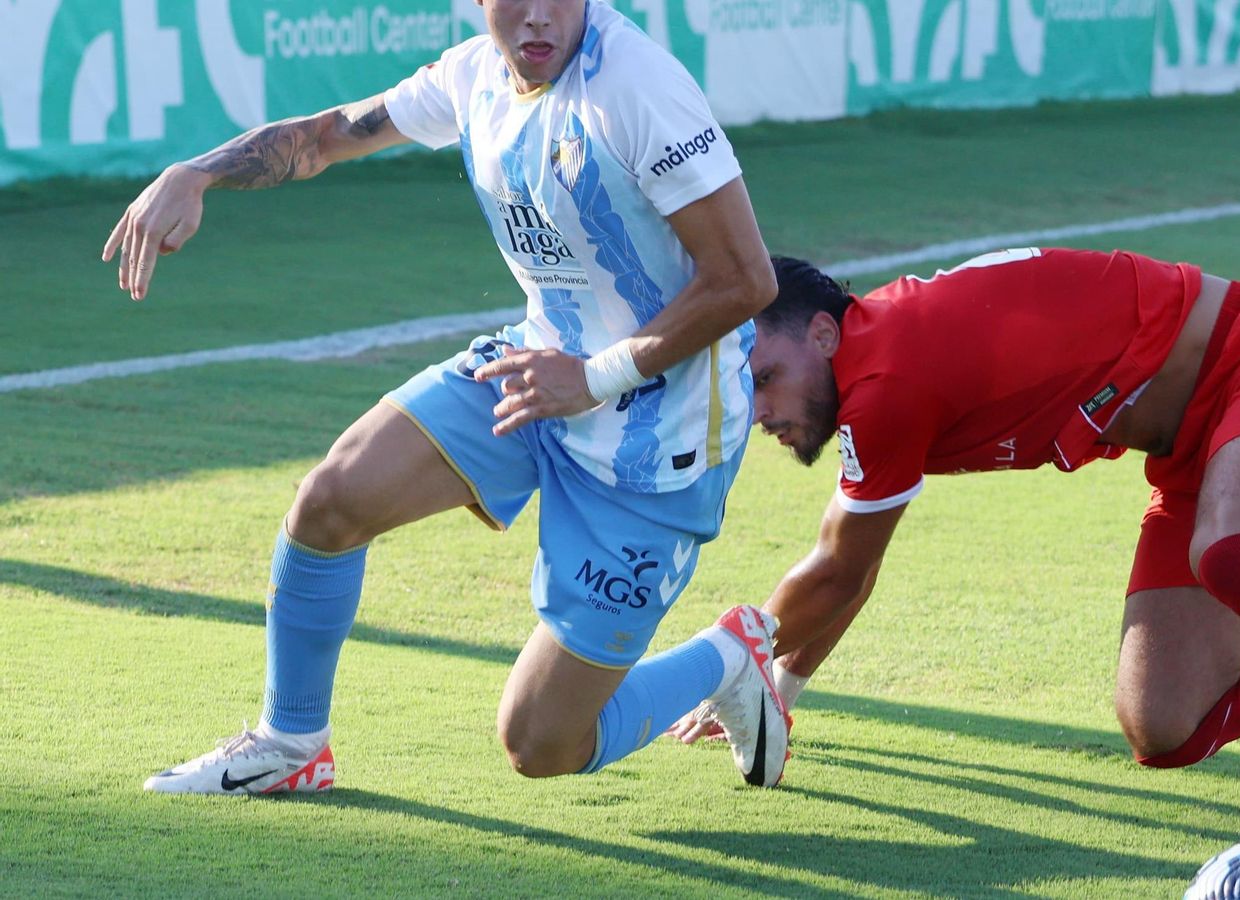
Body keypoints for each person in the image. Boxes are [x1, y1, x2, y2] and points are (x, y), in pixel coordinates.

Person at [678, 249, 1240, 887]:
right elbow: (855, 565)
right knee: (1164, 727)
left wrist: (727, 660)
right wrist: (780, 685)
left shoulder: (890, 372)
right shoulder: (875, 375)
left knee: (1237, 550)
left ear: (826, 333)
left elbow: (837, 566)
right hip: (1189, 451)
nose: (758, 412)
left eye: (763, 377)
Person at [102, 0, 792, 792]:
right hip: (533, 377)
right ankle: (290, 746)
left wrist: (593, 379)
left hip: (658, 440)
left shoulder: (639, 89)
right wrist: (198, 171)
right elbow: (326, 136)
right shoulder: (472, 75)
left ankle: (728, 656)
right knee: (331, 501)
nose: (536, 18)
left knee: (541, 744)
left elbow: (744, 279)